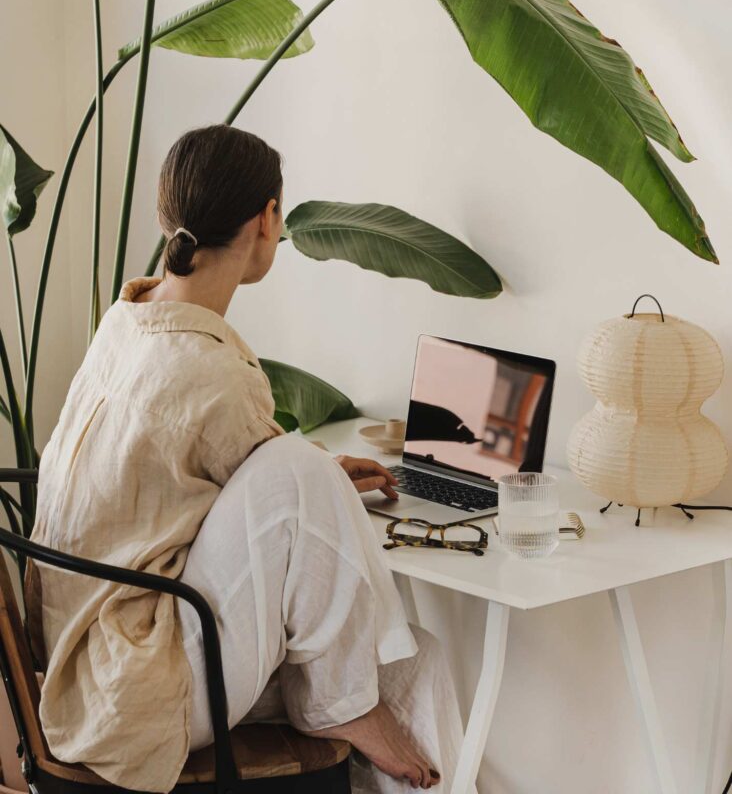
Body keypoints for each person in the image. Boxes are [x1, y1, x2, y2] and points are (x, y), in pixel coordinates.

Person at [26, 125, 464, 793]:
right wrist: (315, 473)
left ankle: (352, 707)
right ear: (268, 220)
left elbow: (216, 467)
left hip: (71, 657)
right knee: (389, 653)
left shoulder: (127, 319)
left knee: (416, 658)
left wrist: (318, 474)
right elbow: (273, 473)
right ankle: (345, 708)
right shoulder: (212, 369)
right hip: (136, 684)